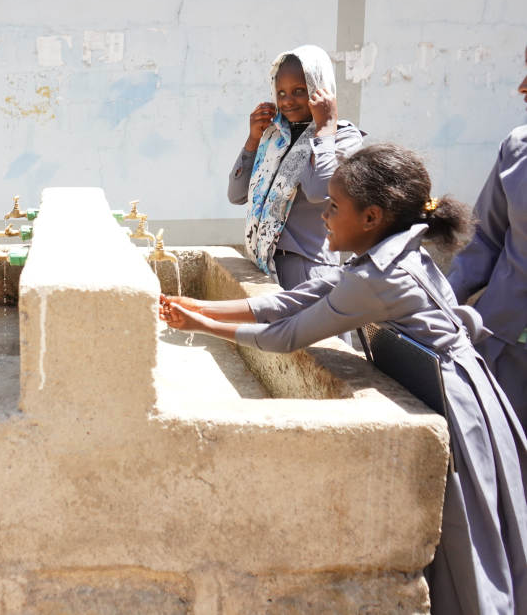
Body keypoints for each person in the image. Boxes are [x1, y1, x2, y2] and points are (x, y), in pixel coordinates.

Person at [164, 143, 527, 615]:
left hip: (457, 404)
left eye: (334, 207)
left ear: (372, 216)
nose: (325, 216)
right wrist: (200, 305)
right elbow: (295, 299)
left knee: (469, 539)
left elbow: (289, 334)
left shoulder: (378, 277)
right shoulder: (388, 249)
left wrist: (204, 326)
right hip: (461, 387)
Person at [229, 45, 363, 290]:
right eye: (281, 92)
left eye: (299, 90)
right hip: (264, 264)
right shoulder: (277, 137)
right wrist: (253, 140)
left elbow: (319, 190)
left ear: (319, 88)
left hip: (307, 269)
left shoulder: (343, 137)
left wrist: (325, 127)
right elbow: (236, 195)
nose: (287, 101)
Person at [447, 46, 527, 431]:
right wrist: (439, 303)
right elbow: (485, 242)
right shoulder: (517, 150)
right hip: (506, 343)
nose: (522, 87)